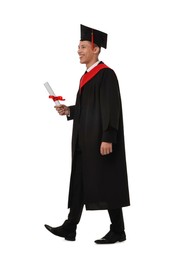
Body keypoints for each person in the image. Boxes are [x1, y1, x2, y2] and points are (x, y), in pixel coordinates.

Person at [44, 24, 130, 244]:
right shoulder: (85, 77)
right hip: (84, 140)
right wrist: (69, 110)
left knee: (108, 182)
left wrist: (108, 136)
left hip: (100, 141)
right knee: (79, 183)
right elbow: (89, 108)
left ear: (96, 49)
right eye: (78, 47)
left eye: (83, 46)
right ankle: (70, 227)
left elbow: (111, 108)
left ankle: (118, 230)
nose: (79, 51)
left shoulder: (106, 75)